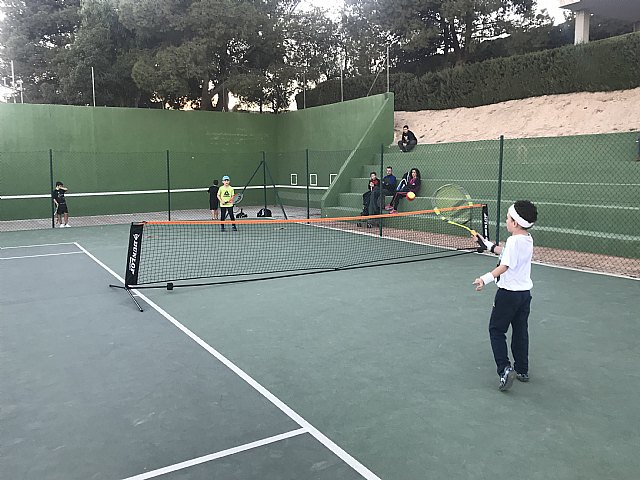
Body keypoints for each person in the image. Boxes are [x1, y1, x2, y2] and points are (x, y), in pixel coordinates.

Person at [473, 200, 539, 392]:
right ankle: (522, 369)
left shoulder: (512, 241)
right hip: (524, 296)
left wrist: (484, 279)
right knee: (520, 331)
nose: (506, 221)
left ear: (516, 223)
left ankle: (504, 369)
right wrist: (487, 245)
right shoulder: (527, 239)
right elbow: (506, 253)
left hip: (507, 296)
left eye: (508, 218)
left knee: (496, 331)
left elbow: (505, 265)